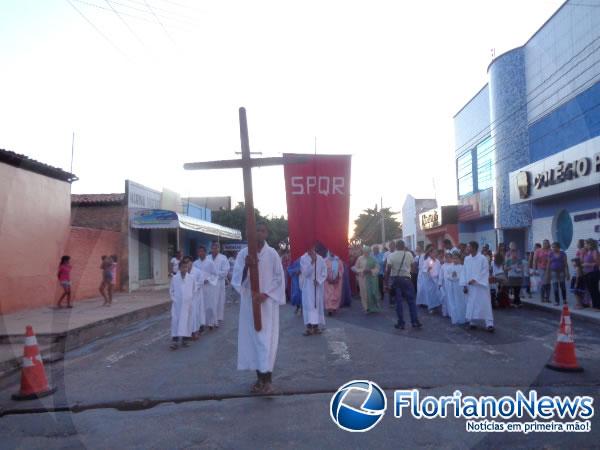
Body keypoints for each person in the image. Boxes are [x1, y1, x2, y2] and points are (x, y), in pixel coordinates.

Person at [232, 222, 285, 394]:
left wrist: (266, 294)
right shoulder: (243, 254)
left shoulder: (272, 254)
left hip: (267, 305)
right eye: (256, 231)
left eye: (262, 231)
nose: (259, 234)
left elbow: (279, 278)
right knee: (254, 341)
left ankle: (268, 380)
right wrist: (247, 265)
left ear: (266, 234)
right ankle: (259, 379)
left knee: (267, 341)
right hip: (250, 304)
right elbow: (236, 281)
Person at [385, 240, 422, 330]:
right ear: (404, 246)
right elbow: (413, 267)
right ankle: (414, 321)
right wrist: (408, 273)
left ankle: (401, 323)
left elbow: (388, 270)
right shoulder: (408, 254)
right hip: (407, 279)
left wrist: (386, 283)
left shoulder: (391, 255)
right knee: (411, 301)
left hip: (396, 280)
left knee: (399, 302)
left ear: (396, 246)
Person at [461, 241, 495, 332]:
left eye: (469, 247)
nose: (467, 249)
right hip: (471, 287)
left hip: (481, 286)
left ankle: (489, 323)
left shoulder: (482, 258)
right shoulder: (466, 259)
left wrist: (476, 280)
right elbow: (464, 272)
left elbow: (485, 271)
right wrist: (464, 284)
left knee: (485, 303)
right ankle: (473, 322)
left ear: (474, 248)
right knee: (472, 303)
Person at [169, 257, 196, 349]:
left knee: (187, 321)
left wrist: (190, 299)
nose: (185, 269)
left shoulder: (191, 278)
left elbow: (194, 289)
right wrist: (174, 299)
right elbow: (171, 290)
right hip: (177, 305)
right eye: (183, 267)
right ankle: (175, 341)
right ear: (179, 268)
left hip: (187, 304)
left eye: (186, 267)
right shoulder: (175, 278)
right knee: (175, 321)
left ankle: (185, 339)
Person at [300, 246, 327, 335]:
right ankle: (308, 328)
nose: (310, 249)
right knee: (308, 306)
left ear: (314, 247)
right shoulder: (303, 258)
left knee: (316, 306)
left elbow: (324, 272)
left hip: (317, 287)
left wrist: (319, 280)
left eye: (311, 247)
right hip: (307, 287)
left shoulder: (320, 258)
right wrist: (312, 262)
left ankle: (315, 327)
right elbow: (306, 273)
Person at [193, 246, 219, 330]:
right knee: (200, 305)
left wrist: (208, 279)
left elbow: (215, 274)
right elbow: (193, 275)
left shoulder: (210, 263)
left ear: (205, 252)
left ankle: (211, 322)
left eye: (202, 251)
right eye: (199, 251)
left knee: (210, 304)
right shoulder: (195, 263)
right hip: (199, 287)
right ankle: (201, 323)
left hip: (208, 286)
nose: (200, 253)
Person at [352, 246, 381, 313]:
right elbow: (355, 268)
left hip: (372, 279)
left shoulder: (373, 259)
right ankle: (366, 307)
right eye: (365, 252)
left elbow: (377, 268)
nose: (366, 253)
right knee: (364, 294)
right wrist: (362, 270)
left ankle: (374, 307)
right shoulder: (360, 259)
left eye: (367, 252)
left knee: (373, 293)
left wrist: (370, 271)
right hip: (363, 279)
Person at [210, 242, 230, 325]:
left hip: (219, 283)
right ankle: (210, 319)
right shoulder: (207, 258)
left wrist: (215, 273)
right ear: (211, 249)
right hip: (209, 283)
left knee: (219, 300)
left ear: (219, 249)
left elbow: (225, 271)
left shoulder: (223, 258)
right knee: (210, 301)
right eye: (213, 248)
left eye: (216, 248)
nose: (215, 249)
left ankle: (218, 318)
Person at [445, 252, 467, 325]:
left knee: (461, 302)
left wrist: (456, 276)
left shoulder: (462, 267)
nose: (455, 260)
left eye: (456, 258)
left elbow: (464, 277)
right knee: (453, 301)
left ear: (459, 259)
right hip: (452, 286)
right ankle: (455, 318)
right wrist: (452, 276)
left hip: (460, 287)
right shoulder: (449, 267)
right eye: (454, 258)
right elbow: (447, 276)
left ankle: (462, 318)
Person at [546, 242, 570, 306]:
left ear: (558, 247)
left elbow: (565, 264)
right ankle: (557, 301)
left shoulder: (563, 254)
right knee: (555, 287)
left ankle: (564, 300)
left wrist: (567, 273)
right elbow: (548, 264)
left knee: (563, 286)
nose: (553, 248)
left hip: (561, 271)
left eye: (554, 247)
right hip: (553, 272)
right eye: (552, 247)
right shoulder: (551, 254)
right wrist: (548, 273)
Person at [422, 246, 442, 313]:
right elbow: (423, 270)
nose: (435, 254)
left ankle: (436, 305)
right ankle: (430, 307)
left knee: (436, 293)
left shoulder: (438, 261)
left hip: (436, 279)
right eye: (433, 253)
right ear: (430, 253)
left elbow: (439, 270)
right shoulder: (426, 261)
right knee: (430, 294)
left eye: (436, 253)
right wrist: (428, 269)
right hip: (429, 280)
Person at [582, 238, 600, 309]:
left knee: (594, 290)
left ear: (590, 244)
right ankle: (594, 304)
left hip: (593, 273)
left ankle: (597, 306)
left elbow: (598, 263)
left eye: (586, 244)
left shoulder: (595, 252)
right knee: (590, 290)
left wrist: (587, 264)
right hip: (587, 273)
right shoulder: (587, 252)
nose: (585, 245)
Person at [438, 252, 453, 317]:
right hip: (445, 285)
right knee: (445, 298)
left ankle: (451, 313)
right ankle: (445, 311)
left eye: (449, 257)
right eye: (446, 257)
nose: (447, 259)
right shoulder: (443, 266)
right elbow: (441, 276)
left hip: (452, 285)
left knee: (451, 299)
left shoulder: (453, 265)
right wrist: (440, 283)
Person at [384, 241, 397, 307]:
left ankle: (395, 299)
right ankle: (391, 301)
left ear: (395, 246)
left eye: (393, 245)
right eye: (391, 245)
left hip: (396, 272)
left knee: (396, 287)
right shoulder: (386, 253)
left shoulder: (397, 253)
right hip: (388, 272)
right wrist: (385, 272)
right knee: (390, 287)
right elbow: (384, 263)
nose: (392, 246)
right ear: (389, 246)